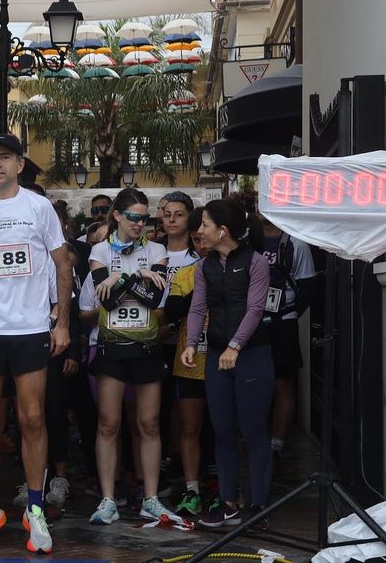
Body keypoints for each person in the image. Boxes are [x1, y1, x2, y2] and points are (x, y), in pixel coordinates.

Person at [0, 135, 72, 553]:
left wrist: (62, 322)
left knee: (32, 418)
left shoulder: (38, 207)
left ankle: (35, 509)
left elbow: (63, 264)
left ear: (20, 164)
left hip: (30, 328)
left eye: (4, 157)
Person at [83, 187, 173, 525]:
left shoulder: (157, 249)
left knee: (149, 423)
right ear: (118, 216)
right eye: (133, 217)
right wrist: (138, 277)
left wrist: (120, 278)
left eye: (145, 219)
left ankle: (151, 498)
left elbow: (154, 299)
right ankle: (108, 499)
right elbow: (107, 301)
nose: (139, 224)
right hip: (112, 346)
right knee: (109, 423)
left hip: (147, 346)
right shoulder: (100, 250)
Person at [183, 199, 274, 529]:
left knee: (254, 431)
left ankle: (258, 505)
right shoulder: (204, 266)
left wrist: (236, 345)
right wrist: (191, 343)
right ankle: (228, 503)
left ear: (222, 230)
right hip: (217, 354)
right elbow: (198, 308)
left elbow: (255, 309)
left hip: (252, 354)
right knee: (222, 431)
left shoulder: (256, 262)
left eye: (205, 225)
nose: (199, 231)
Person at [256, 213, 317, 459]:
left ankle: (277, 444)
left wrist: (289, 313)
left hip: (282, 322)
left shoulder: (295, 242)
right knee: (253, 382)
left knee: (283, 383)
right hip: (250, 323)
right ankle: (255, 438)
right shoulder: (247, 239)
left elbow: (308, 286)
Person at [164, 207, 209, 518]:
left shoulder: (242, 268)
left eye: (205, 236)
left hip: (224, 360)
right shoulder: (185, 274)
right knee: (190, 425)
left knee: (224, 428)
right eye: (196, 239)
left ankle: (226, 489)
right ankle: (192, 488)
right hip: (190, 361)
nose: (201, 243)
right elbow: (174, 310)